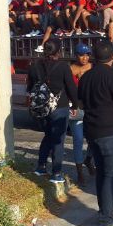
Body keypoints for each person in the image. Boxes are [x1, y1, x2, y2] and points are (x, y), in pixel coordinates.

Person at [79, 41, 113, 226]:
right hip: (111, 133)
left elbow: (81, 102)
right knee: (111, 178)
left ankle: (105, 215)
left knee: (102, 175)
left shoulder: (85, 77)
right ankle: (106, 221)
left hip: (93, 132)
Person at [29, 40, 80, 184]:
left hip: (41, 108)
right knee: (58, 140)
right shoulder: (63, 66)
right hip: (60, 106)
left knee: (47, 136)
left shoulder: (35, 66)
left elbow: (30, 87)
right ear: (59, 51)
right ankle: (56, 173)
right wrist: (75, 105)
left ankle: (41, 167)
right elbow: (71, 87)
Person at [70, 43, 94, 185]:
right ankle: (80, 173)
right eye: (81, 54)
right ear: (76, 55)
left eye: (87, 54)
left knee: (93, 138)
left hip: (90, 108)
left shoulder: (92, 68)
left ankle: (88, 160)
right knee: (78, 140)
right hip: (76, 108)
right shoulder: (70, 69)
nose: (84, 58)